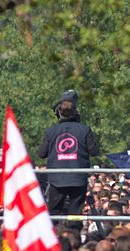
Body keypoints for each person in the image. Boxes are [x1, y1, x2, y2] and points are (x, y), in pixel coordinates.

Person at [39, 90, 99, 220]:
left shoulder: (51, 131)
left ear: (59, 113)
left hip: (57, 179)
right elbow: (94, 151)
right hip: (78, 178)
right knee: (75, 214)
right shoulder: (84, 129)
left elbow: (41, 153)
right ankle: (74, 234)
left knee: (54, 214)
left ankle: (54, 236)